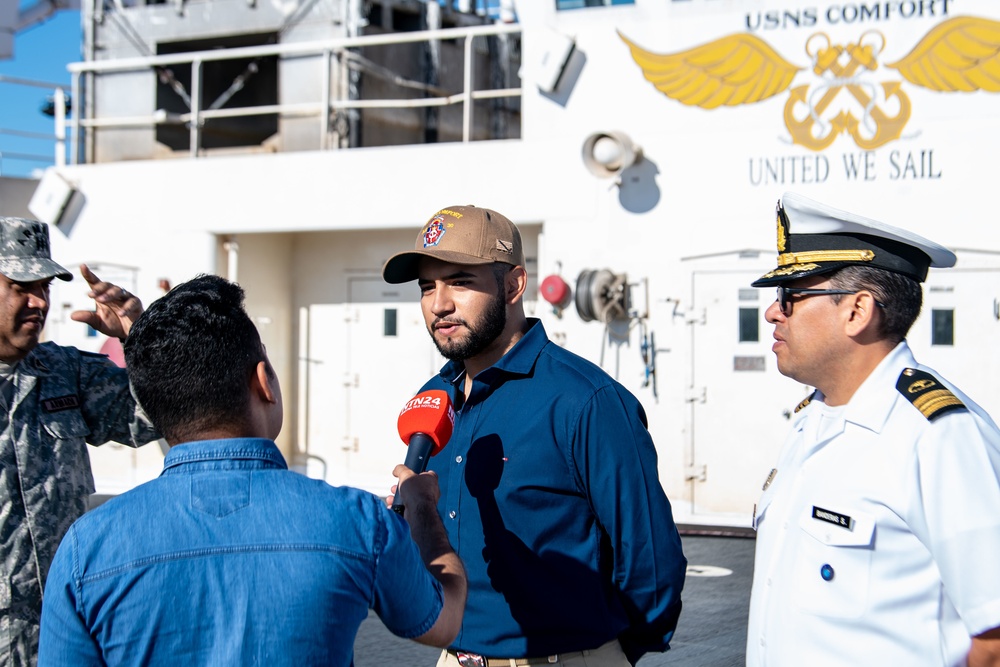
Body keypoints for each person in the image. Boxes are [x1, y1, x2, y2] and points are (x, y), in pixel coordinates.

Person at [37, 274, 466, 666]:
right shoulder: (356, 520)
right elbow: (442, 620)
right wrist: (423, 509)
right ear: (264, 381)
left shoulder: (85, 548)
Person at [382, 205, 686, 667]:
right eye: (428, 286)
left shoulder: (586, 400)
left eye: (460, 281)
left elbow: (652, 559)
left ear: (513, 285)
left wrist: (604, 653)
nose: (438, 303)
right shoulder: (433, 397)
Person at [746, 192, 1000, 666]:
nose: (772, 312)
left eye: (790, 296)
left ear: (857, 311)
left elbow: (993, 639)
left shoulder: (939, 436)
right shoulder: (812, 420)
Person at [0, 216, 160, 667]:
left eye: (45, 287)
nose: (39, 301)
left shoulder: (64, 371)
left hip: (64, 631)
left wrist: (142, 336)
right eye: (21, 285)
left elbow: (157, 415)